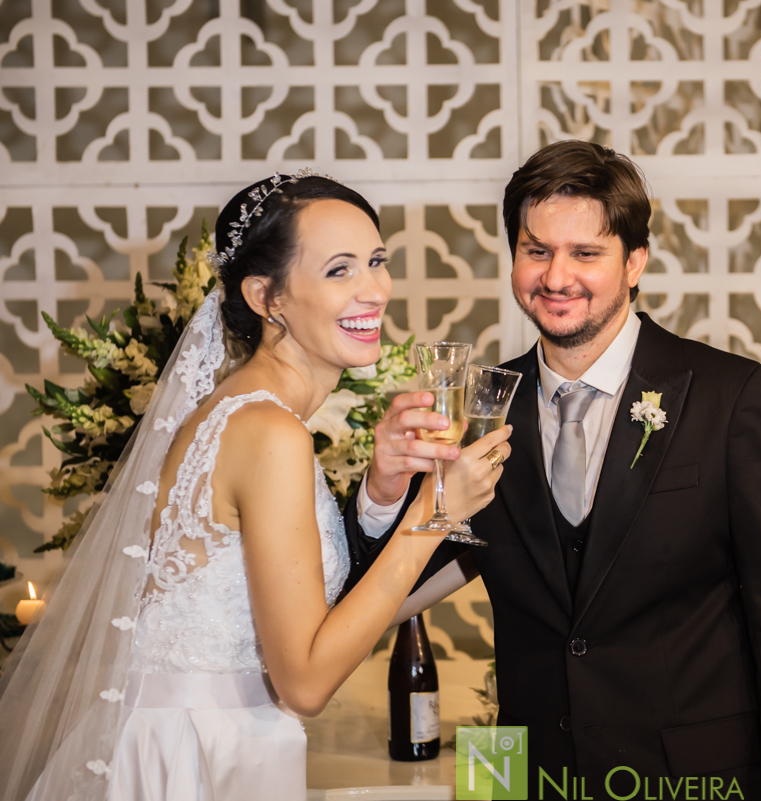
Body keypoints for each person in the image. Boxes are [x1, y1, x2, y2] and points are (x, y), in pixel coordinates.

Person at [344, 142, 761, 799]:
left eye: (586, 253)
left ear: (635, 260)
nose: (556, 277)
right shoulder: (479, 410)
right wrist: (383, 493)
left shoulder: (728, 397)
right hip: (530, 779)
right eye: (536, 250)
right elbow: (381, 592)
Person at [0, 172, 511, 801]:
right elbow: (304, 683)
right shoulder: (270, 431)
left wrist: (384, 488)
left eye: (376, 261)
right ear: (266, 297)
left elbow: (307, 611)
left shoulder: (247, 412)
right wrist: (435, 509)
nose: (375, 289)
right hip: (199, 757)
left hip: (199, 738)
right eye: (339, 270)